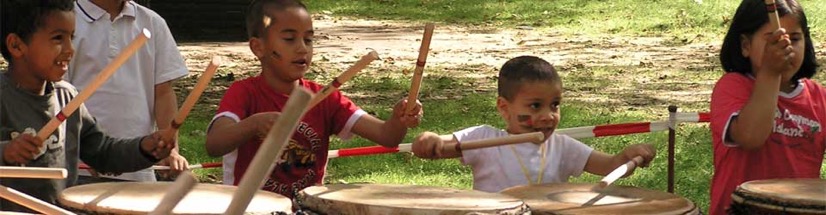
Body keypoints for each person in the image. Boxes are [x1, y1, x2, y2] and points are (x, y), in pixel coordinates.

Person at [205, 0, 422, 198]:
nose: (302, 48)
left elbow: (387, 136)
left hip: (307, 207)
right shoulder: (244, 93)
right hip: (247, 208)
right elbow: (215, 144)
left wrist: (399, 120)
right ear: (258, 47)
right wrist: (255, 124)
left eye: (308, 39)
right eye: (289, 39)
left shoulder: (325, 97)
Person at [0, 0, 174, 212]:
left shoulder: (68, 97)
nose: (69, 49)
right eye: (58, 38)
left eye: (71, 38)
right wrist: (6, 152)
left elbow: (102, 153)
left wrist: (143, 148)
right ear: (16, 46)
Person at [412, 56, 656, 193]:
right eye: (535, 106)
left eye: (555, 105)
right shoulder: (484, 138)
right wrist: (430, 140)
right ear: (504, 108)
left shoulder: (562, 146)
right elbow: (441, 145)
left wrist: (627, 155)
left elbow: (609, 166)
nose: (548, 115)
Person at [710, 0, 823, 214]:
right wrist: (771, 72)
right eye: (774, 40)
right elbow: (751, 137)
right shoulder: (733, 87)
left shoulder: (819, 98)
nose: (786, 48)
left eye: (795, 39)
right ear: (745, 45)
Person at [66, 0, 190, 182]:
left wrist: (168, 148)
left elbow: (163, 93)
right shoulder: (65, 21)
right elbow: (58, 97)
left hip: (140, 164)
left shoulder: (153, 23)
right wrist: (82, 152)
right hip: (81, 167)